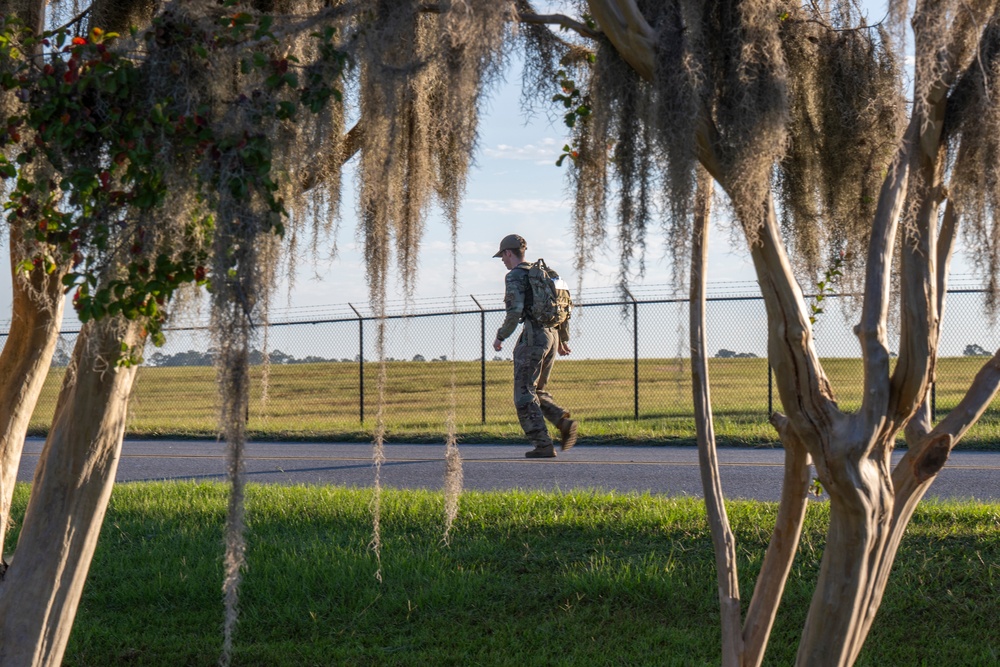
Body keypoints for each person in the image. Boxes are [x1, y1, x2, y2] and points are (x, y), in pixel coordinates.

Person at [492, 234, 578, 458]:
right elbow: (564, 306)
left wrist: (501, 336)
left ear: (508, 253)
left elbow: (514, 311)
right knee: (537, 390)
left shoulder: (515, 276)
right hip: (552, 336)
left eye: (502, 256)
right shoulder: (544, 273)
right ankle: (563, 422)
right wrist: (563, 339)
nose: (503, 260)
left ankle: (543, 444)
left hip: (533, 337)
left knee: (523, 394)